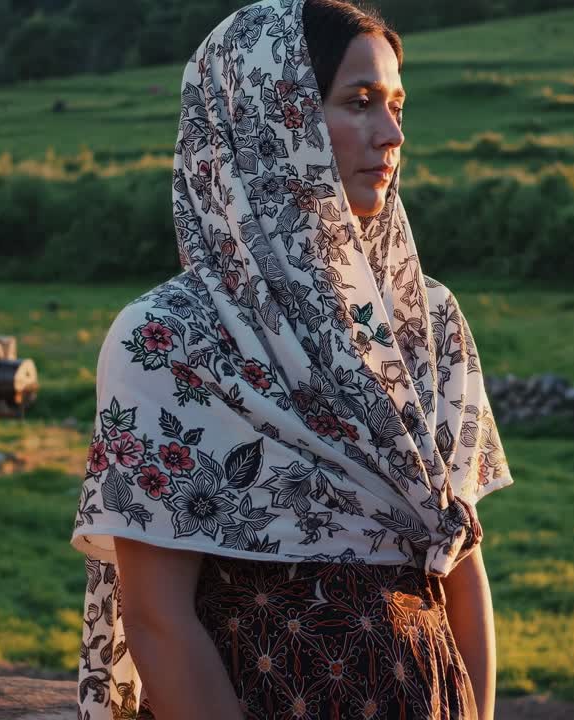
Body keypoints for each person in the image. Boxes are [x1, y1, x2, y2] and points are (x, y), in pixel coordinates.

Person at [70, 1, 513, 717]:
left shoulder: (425, 320)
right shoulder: (170, 340)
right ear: (273, 120)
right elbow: (157, 617)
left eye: (397, 105)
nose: (393, 134)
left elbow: (459, 568)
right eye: (360, 103)